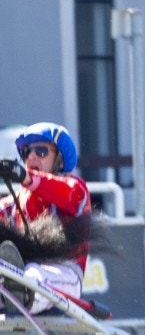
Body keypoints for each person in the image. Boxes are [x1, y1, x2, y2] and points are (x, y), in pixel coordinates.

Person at [0, 122, 91, 314]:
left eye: (41, 151)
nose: (31, 156)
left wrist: (26, 178)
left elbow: (68, 193)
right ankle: (14, 288)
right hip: (24, 275)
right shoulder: (16, 201)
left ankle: (17, 289)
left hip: (65, 275)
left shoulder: (76, 188)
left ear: (59, 159)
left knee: (31, 273)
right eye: (26, 152)